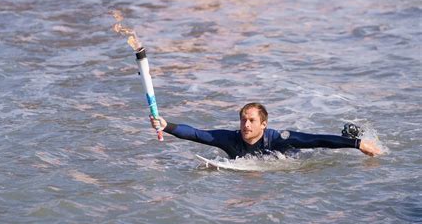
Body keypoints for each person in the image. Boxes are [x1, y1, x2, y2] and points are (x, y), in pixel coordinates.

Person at [149, 102, 382, 158]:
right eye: (242, 120)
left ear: (263, 124)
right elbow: (196, 133)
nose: (246, 125)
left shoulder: (279, 138)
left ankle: (349, 136)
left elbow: (316, 139)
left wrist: (358, 145)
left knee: (315, 152)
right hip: (252, 163)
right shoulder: (229, 139)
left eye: (251, 120)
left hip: (289, 158)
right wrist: (165, 125)